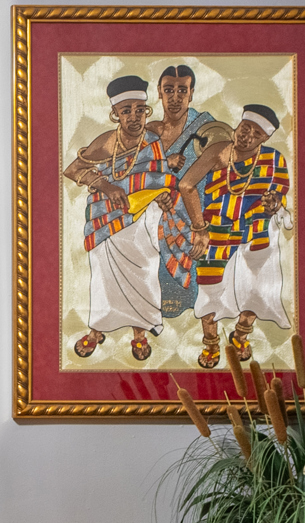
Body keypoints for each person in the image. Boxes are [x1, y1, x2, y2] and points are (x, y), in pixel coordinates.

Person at [63, 76, 201, 362]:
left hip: (142, 221)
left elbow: (157, 176)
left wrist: (163, 192)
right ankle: (98, 330)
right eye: (127, 111)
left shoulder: (152, 139)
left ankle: (140, 331)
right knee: (104, 278)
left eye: (140, 109)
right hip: (108, 221)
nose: (134, 116)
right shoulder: (106, 141)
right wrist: (107, 186)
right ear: (116, 114)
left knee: (145, 272)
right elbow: (73, 169)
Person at [188, 103, 292, 367]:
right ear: (238, 125)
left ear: (265, 139)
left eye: (256, 133)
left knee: (257, 291)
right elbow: (187, 184)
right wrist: (199, 229)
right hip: (218, 232)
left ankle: (240, 336)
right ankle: (211, 344)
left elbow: (279, 195)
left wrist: (274, 203)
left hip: (256, 235)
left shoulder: (275, 159)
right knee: (210, 288)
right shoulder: (218, 152)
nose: (248, 136)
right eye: (245, 128)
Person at [149, 64, 230, 318]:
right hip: (157, 220)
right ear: (159, 93)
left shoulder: (207, 128)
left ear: (191, 93)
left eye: (182, 90)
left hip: (199, 217)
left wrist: (200, 226)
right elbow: (135, 174)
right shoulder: (148, 132)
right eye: (168, 90)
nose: (175, 97)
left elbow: (222, 173)